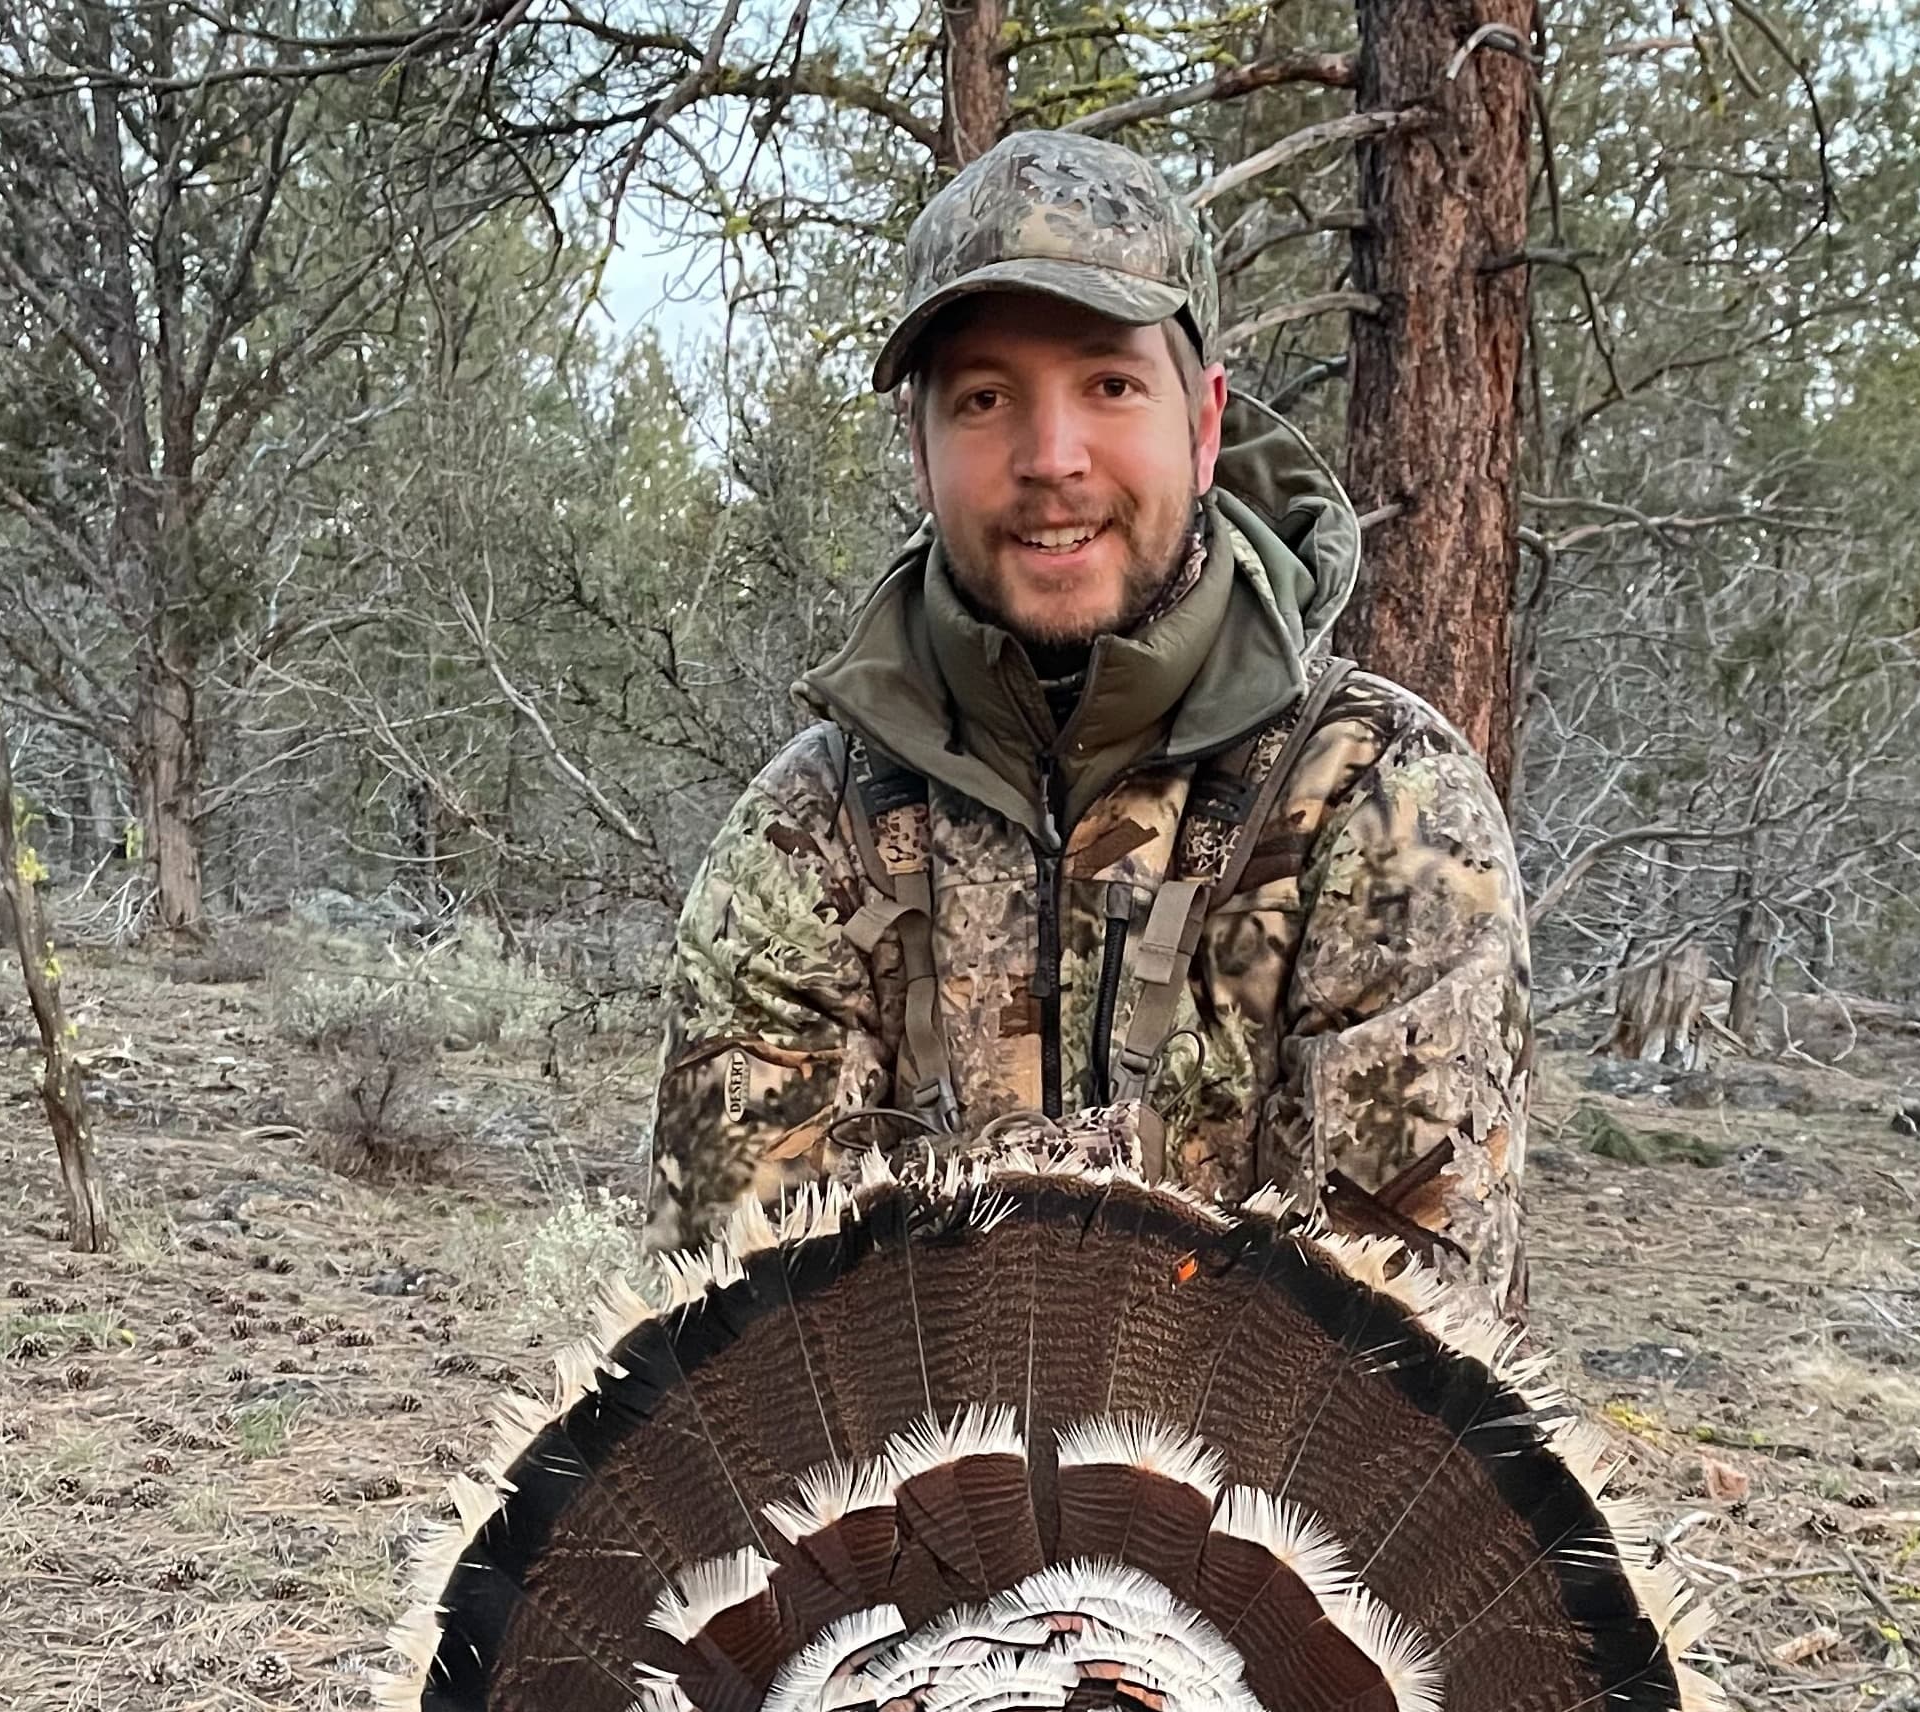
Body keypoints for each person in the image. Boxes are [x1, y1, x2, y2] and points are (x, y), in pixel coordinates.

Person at [645, 131, 1531, 1299]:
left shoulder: (1380, 804)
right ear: (920, 450)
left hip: (1266, 1487)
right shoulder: (811, 839)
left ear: (1206, 423)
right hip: (891, 1482)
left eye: (1109, 385)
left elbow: (1411, 1358)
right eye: (984, 398)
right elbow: (742, 1360)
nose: (1050, 457)